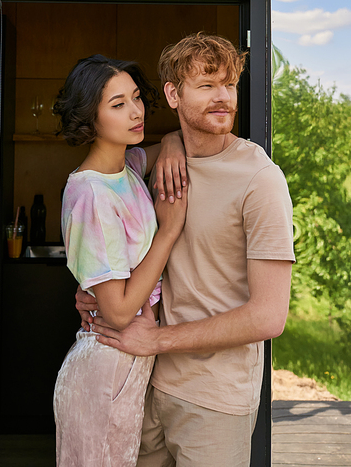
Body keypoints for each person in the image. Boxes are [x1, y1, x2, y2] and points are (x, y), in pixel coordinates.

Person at [77, 33, 295, 467]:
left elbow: (269, 316)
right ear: (174, 95)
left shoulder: (261, 179)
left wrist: (157, 340)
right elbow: (108, 225)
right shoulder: (156, 162)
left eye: (230, 84)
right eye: (207, 85)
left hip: (215, 400)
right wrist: (96, 287)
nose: (224, 98)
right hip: (145, 385)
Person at [52, 54, 188, 467]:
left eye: (135, 98)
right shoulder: (91, 196)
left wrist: (171, 144)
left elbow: (168, 140)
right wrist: (168, 232)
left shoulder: (126, 168)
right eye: (117, 105)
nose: (135, 111)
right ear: (89, 120)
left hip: (128, 364)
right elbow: (118, 310)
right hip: (105, 367)